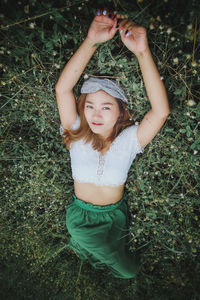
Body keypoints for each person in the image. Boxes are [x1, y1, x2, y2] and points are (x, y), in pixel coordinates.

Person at [55, 9, 170, 279]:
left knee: (113, 249)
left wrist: (142, 52)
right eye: (90, 106)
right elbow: (63, 89)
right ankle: (93, 252)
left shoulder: (130, 140)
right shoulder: (75, 132)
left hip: (115, 215)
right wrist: (90, 41)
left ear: (122, 113)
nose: (95, 114)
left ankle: (89, 254)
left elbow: (160, 111)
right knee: (128, 270)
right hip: (81, 220)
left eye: (106, 107)